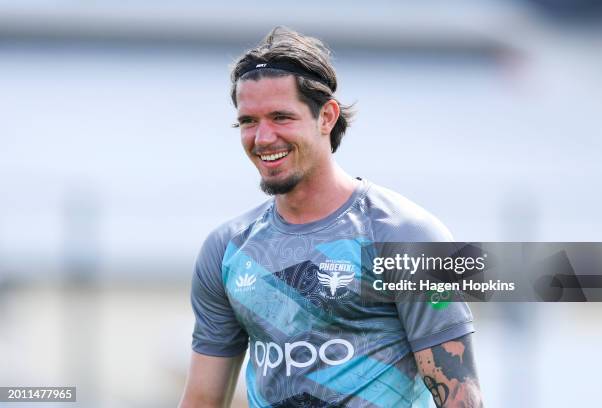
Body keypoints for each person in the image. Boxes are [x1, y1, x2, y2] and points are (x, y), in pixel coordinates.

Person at [179, 27, 483, 408]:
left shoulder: (405, 234)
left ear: (326, 117)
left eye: (281, 117)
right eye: (248, 121)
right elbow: (203, 400)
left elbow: (459, 397)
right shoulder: (227, 249)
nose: (262, 137)